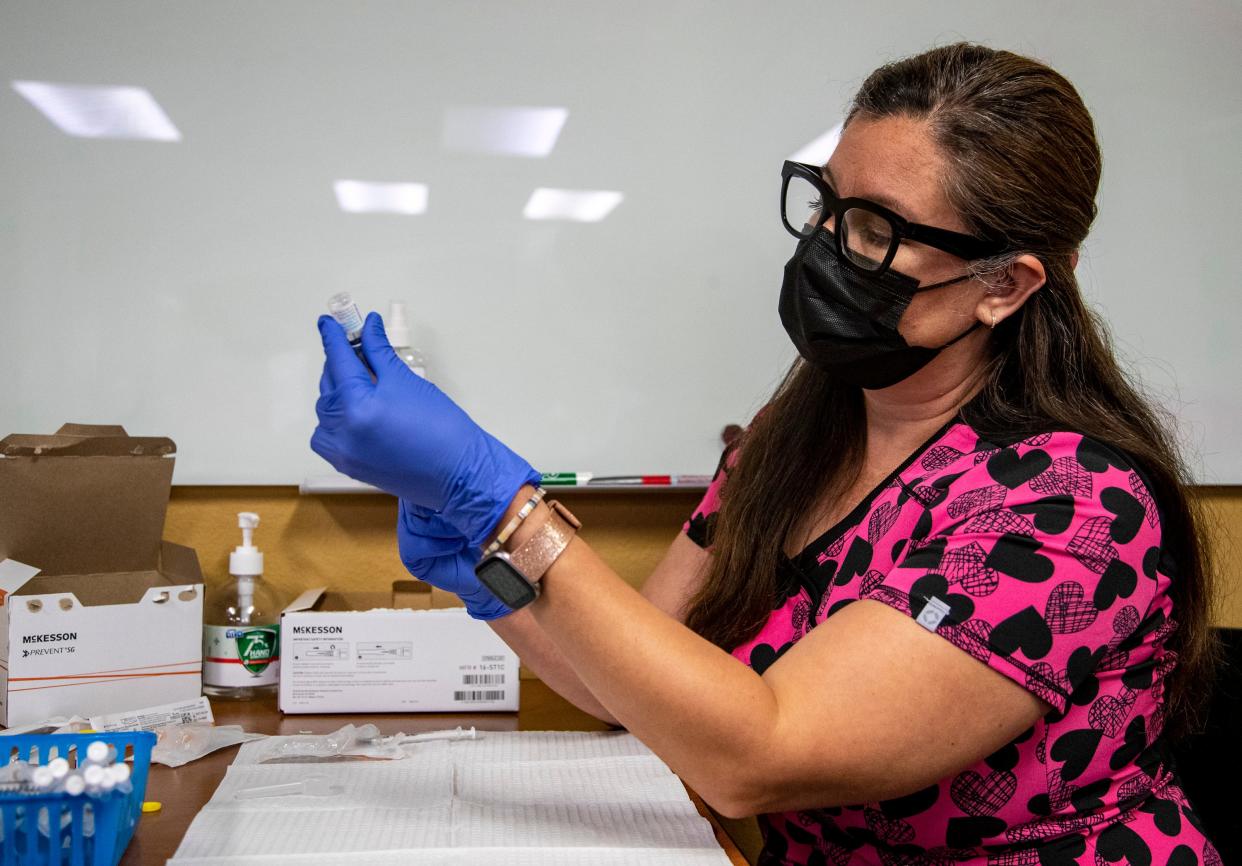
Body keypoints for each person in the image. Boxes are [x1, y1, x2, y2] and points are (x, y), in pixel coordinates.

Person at [312, 42, 1220, 866]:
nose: (827, 246)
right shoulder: (791, 443)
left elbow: (760, 755)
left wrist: (506, 507)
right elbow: (627, 689)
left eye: (875, 230)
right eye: (826, 204)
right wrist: (484, 570)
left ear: (1003, 286)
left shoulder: (1068, 504)